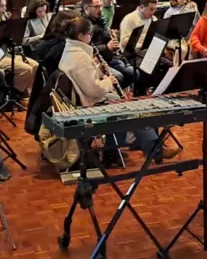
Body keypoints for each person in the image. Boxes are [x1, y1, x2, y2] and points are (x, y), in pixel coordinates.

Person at [59, 17, 173, 163]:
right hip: (90, 104)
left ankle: (115, 151)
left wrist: (99, 69)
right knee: (131, 110)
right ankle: (154, 151)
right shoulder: (79, 57)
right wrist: (109, 81)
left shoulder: (71, 51)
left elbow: (87, 79)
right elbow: (94, 89)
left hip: (89, 99)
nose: (91, 37)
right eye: (89, 34)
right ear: (80, 36)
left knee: (123, 104)